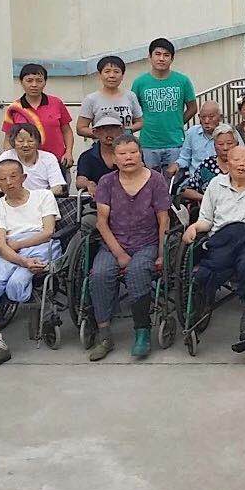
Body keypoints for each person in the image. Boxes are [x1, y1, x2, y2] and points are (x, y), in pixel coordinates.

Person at [0, 159, 61, 370]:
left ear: (24, 177)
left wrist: (19, 245)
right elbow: (1, 245)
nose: (8, 182)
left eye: (13, 176)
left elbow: (48, 232)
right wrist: (23, 261)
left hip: (40, 246)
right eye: (3, 179)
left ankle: (23, 300)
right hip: (9, 253)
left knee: (16, 284)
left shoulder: (43, 196)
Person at [183, 146, 245, 343]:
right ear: (227, 164)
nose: (241, 165)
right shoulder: (215, 184)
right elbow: (206, 220)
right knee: (208, 268)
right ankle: (199, 304)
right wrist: (194, 227)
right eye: (236, 160)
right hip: (223, 238)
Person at [88, 135, 171, 361]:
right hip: (114, 243)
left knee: (138, 272)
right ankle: (104, 334)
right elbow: (101, 223)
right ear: (114, 159)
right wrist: (119, 253)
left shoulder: (156, 180)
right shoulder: (107, 182)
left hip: (147, 242)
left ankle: (142, 333)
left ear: (141, 154)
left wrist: (162, 253)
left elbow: (163, 219)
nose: (128, 158)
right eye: (122, 154)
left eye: (133, 152)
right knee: (100, 274)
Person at [131, 38, 197, 174]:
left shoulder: (182, 81)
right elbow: (133, 111)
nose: (161, 59)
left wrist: (178, 122)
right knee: (149, 180)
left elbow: (192, 108)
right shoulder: (140, 83)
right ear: (149, 57)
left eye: (166, 55)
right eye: (157, 54)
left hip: (175, 142)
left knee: (174, 182)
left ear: (172, 59)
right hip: (148, 143)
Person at [2, 63, 74, 171]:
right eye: (29, 80)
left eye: (39, 81)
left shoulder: (56, 103)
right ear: (21, 82)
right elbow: (8, 139)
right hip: (25, 165)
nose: (34, 85)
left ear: (45, 82)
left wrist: (68, 152)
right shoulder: (14, 108)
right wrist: (9, 162)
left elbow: (67, 131)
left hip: (57, 162)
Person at [0, 123, 66, 199]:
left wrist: (34, 199)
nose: (26, 145)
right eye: (20, 141)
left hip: (42, 201)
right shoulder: (6, 157)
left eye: (30, 141)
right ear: (13, 142)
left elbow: (58, 188)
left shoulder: (49, 158)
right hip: (12, 202)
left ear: (38, 142)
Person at [77, 55, 143, 138]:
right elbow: (81, 128)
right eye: (107, 71)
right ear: (100, 75)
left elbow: (139, 122)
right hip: (101, 145)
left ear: (122, 76)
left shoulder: (130, 96)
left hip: (125, 144)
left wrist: (125, 131)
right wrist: (103, 135)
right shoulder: (91, 99)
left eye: (116, 72)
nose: (112, 75)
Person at [181, 124, 241, 204]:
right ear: (214, 146)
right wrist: (206, 198)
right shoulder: (207, 165)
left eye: (229, 143)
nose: (225, 148)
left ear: (237, 144)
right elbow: (185, 191)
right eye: (220, 144)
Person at [168, 100, 226, 178]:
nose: (206, 121)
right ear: (199, 117)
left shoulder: (227, 133)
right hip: (195, 179)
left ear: (220, 117)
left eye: (211, 117)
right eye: (203, 117)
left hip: (220, 178)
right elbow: (185, 158)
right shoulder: (192, 133)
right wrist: (177, 164)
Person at [76, 117, 123, 196]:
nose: (109, 132)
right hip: (98, 198)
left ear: (121, 131)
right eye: (104, 129)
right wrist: (88, 184)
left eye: (113, 128)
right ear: (95, 132)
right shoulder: (87, 156)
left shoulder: (130, 153)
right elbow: (80, 180)